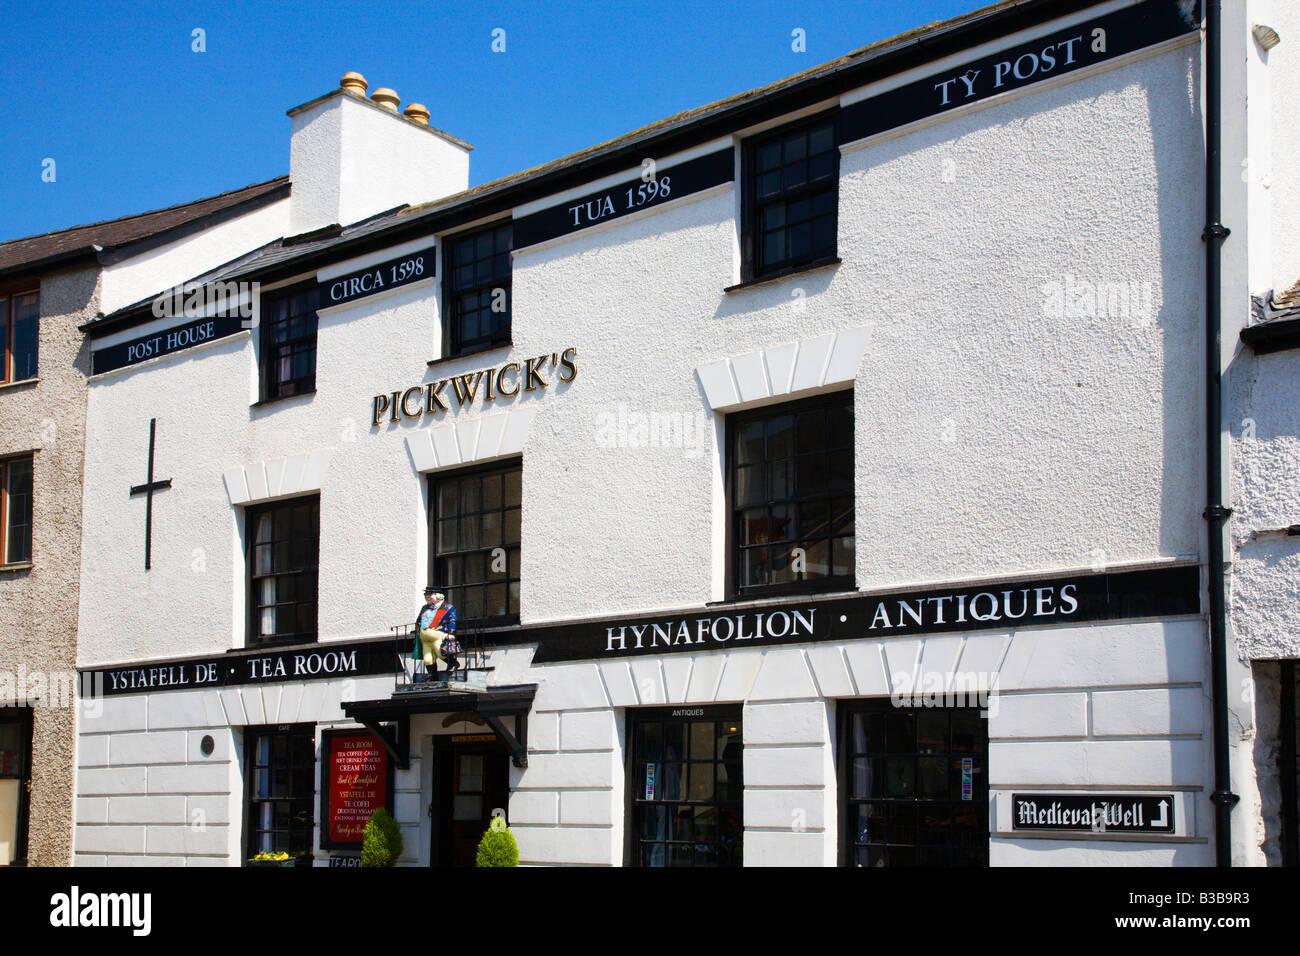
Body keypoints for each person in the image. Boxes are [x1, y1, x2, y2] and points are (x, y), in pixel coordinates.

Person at [413, 587, 460, 677]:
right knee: (427, 658)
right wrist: (417, 629)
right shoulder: (425, 608)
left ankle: (453, 663)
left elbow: (452, 620)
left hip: (438, 634)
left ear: (439, 596)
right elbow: (419, 620)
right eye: (425, 594)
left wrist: (451, 632)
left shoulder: (448, 608)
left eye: (430, 594)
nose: (427, 597)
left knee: (440, 652)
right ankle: (432, 674)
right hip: (425, 637)